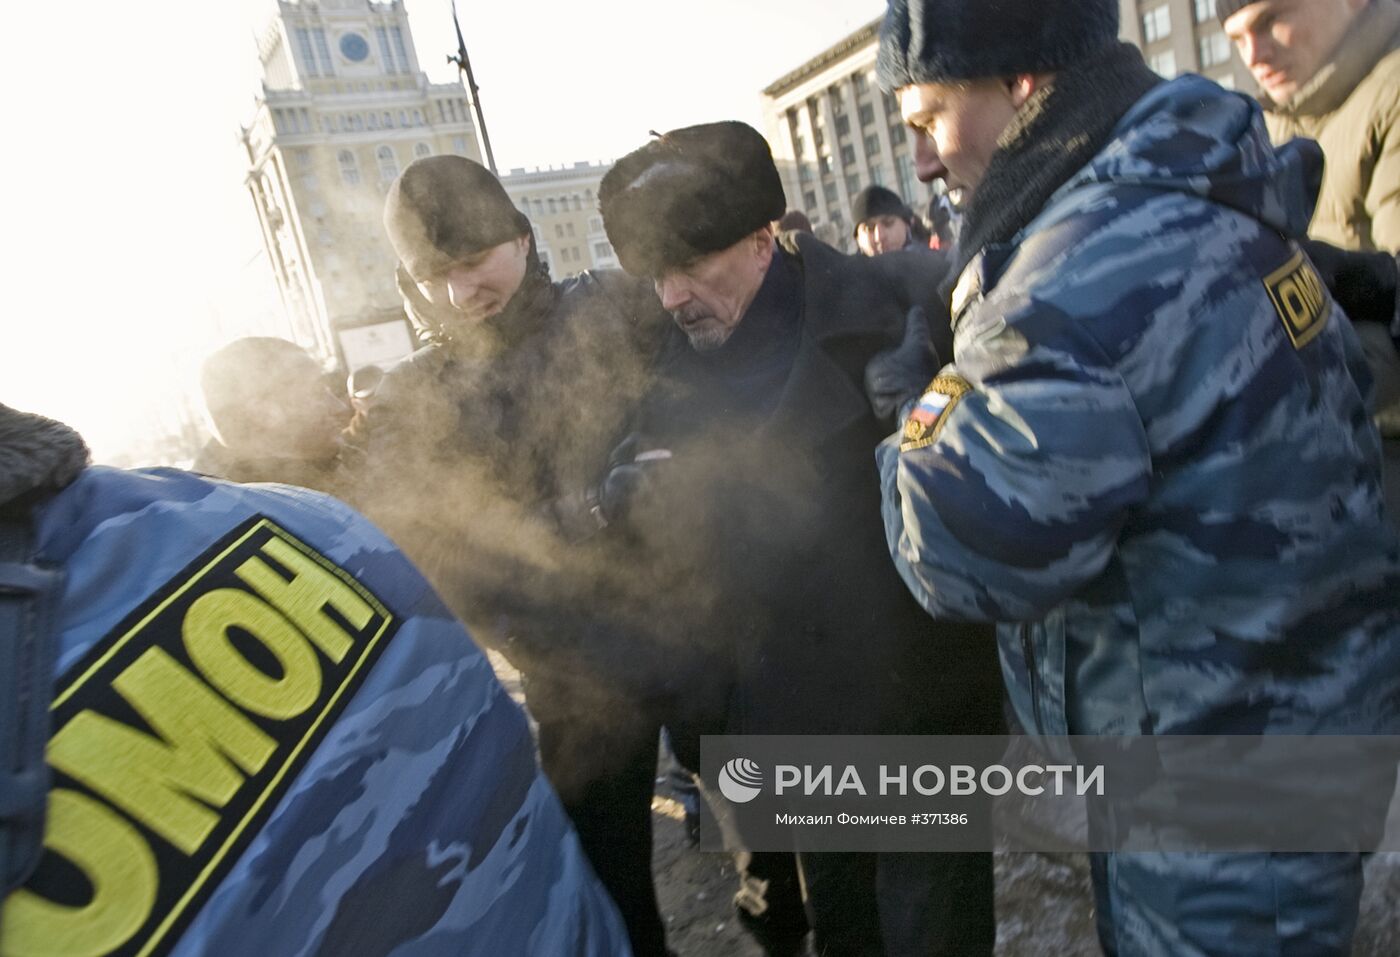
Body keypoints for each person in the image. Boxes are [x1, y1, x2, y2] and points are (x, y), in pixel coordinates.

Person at [874, 0, 1400, 954]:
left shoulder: (1069, 277)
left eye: (926, 119)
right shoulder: (1189, 186)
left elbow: (959, 555)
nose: (920, 162)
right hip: (1284, 736)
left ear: (1020, 85)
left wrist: (923, 406)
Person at [0, 402, 630, 956]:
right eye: (437, 280)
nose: (678, 292)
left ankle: (731, 875)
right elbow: (464, 552)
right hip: (582, 684)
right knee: (624, 849)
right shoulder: (352, 463)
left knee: (728, 783)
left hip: (714, 669)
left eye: (688, 270)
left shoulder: (630, 328)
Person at [598, 120, 1005, 957]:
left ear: (761, 241)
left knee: (936, 937)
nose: (673, 297)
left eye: (691, 269)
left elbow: (1017, 421)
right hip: (795, 728)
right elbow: (628, 478)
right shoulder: (656, 367)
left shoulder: (907, 297)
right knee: (847, 936)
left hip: (922, 708)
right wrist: (625, 495)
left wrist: (934, 405)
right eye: (658, 278)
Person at [356, 155, 677, 955]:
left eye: (475, 261)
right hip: (575, 679)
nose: (463, 289)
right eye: (438, 275)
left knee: (779, 826)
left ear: (525, 240)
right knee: (611, 893)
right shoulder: (413, 402)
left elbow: (716, 410)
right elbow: (431, 554)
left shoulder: (616, 309)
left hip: (704, 626)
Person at [1220, 0, 1400, 518]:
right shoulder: (1275, 123)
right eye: (1236, 39)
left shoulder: (1390, 95)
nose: (1253, 53)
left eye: (1271, 19)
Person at [194, 337, 351, 492]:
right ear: (264, 413)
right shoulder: (255, 508)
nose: (340, 407)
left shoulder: (344, 465)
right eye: (317, 392)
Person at [850, 185, 930, 256]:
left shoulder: (936, 267)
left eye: (888, 223)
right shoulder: (847, 272)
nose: (880, 237)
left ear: (906, 225)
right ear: (857, 238)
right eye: (869, 228)